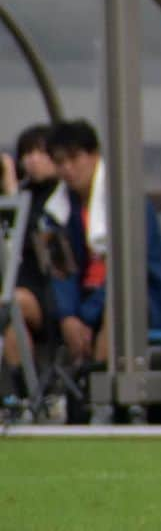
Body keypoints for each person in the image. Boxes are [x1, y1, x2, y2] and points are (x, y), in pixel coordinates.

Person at [42, 119, 161, 422]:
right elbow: (60, 269)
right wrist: (68, 315)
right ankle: (59, 394)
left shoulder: (128, 201)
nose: (68, 169)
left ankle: (100, 398)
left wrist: (86, 314)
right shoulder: (56, 211)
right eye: (60, 162)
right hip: (84, 305)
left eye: (74, 158)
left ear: (95, 155)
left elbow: (128, 269)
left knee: (118, 306)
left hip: (147, 297)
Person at [1, 124, 59, 400]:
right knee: (12, 320)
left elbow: (29, 234)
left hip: (50, 290)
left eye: (40, 152)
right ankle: (25, 396)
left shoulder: (60, 198)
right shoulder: (27, 193)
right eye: (27, 154)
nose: (32, 160)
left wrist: (13, 190)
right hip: (20, 288)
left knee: (11, 302)